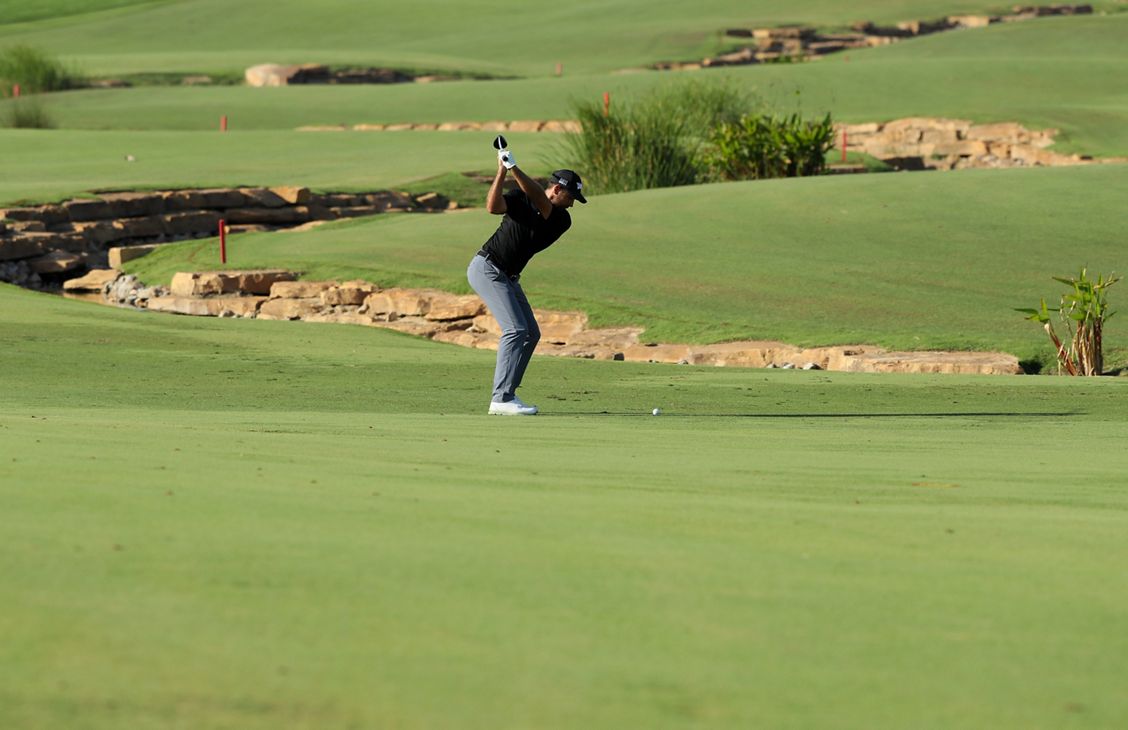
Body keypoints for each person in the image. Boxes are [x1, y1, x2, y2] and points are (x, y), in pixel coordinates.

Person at [467, 145, 586, 416]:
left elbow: (541, 202)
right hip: (487, 268)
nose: (572, 203)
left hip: (508, 277)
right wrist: (502, 170)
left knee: (531, 333)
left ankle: (508, 394)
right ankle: (501, 398)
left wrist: (514, 168)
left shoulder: (561, 219)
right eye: (571, 196)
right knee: (516, 330)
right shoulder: (520, 198)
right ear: (557, 189)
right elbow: (492, 207)